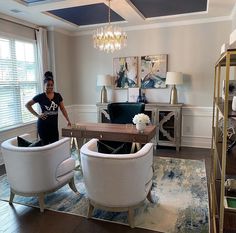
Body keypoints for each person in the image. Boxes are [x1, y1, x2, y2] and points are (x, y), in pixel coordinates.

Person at [25, 71, 71, 145]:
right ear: (44, 85)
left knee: (55, 145)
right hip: (43, 126)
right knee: (45, 147)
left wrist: (68, 120)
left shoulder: (58, 96)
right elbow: (27, 105)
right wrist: (38, 115)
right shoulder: (40, 96)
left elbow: (62, 109)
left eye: (51, 85)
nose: (50, 87)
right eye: (48, 85)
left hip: (54, 127)